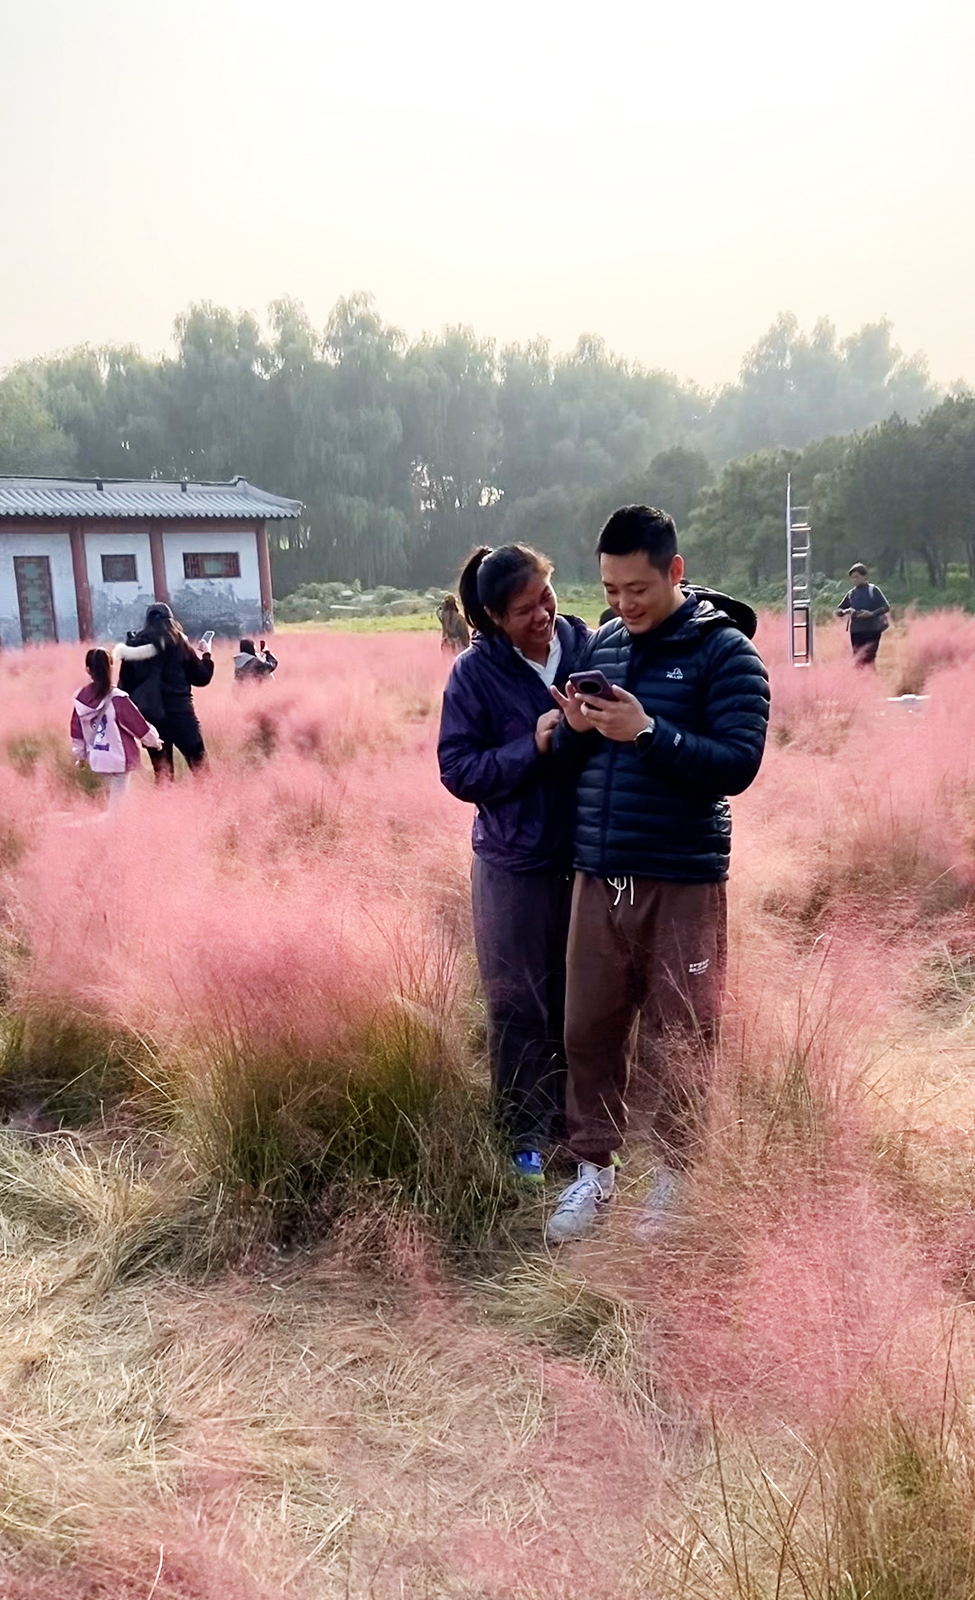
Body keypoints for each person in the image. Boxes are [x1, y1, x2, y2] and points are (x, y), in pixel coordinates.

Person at [543, 505, 770, 1243]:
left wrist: (647, 731)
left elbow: (737, 764)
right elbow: (579, 768)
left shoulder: (725, 653)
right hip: (599, 873)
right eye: (609, 589)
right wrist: (574, 733)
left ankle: (673, 1178)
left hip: (681, 877)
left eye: (635, 588)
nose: (621, 605)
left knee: (682, 1035)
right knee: (587, 1030)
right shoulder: (604, 646)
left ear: (674, 572)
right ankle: (594, 1174)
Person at [438, 545, 589, 1180]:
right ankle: (522, 1133)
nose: (543, 616)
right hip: (513, 864)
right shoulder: (473, 674)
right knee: (518, 1004)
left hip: (586, 857)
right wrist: (530, 744)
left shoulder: (584, 644)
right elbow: (458, 769)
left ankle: (577, 1129)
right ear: (495, 616)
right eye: (525, 610)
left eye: (547, 598)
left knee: (580, 1000)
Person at [115, 603, 214, 781]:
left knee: (163, 776)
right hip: (182, 715)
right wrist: (206, 655)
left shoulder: (134, 646)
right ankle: (211, 806)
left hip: (152, 719)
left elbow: (124, 687)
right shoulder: (179, 642)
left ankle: (165, 808)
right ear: (171, 620)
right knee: (201, 771)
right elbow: (201, 678)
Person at [70, 647, 163, 806]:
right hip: (119, 759)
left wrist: (80, 755)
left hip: (97, 757)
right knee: (119, 807)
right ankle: (116, 829)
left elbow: (76, 730)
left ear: (88, 670)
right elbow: (138, 725)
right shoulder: (117, 698)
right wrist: (154, 741)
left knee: (113, 801)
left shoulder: (81, 698)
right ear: (111, 667)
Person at [835, 563, 890, 665]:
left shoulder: (873, 590)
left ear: (864, 576)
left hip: (872, 630)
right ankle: (861, 680)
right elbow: (839, 609)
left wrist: (871, 614)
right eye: (852, 578)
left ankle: (872, 679)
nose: (854, 580)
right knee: (857, 659)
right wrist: (844, 612)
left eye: (857, 577)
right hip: (856, 631)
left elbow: (886, 607)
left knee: (869, 659)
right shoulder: (851, 594)